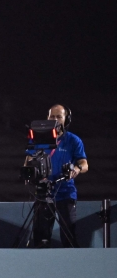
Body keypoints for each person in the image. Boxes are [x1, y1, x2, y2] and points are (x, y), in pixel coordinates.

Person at [36, 105, 88, 248]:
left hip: (65, 193)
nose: (55, 119)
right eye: (52, 116)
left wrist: (77, 168)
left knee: (68, 237)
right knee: (41, 240)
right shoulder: (39, 138)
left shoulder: (73, 140)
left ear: (66, 119)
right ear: (47, 118)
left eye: (59, 116)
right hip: (43, 193)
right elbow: (29, 161)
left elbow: (84, 163)